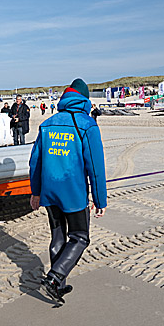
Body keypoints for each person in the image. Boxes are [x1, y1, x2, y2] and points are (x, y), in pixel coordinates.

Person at [29, 78, 107, 304]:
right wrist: (100, 199)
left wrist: (36, 192)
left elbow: (35, 162)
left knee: (58, 236)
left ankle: (58, 286)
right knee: (80, 237)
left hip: (50, 191)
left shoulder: (48, 123)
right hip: (73, 192)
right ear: (85, 100)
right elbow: (96, 167)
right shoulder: (87, 125)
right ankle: (55, 278)